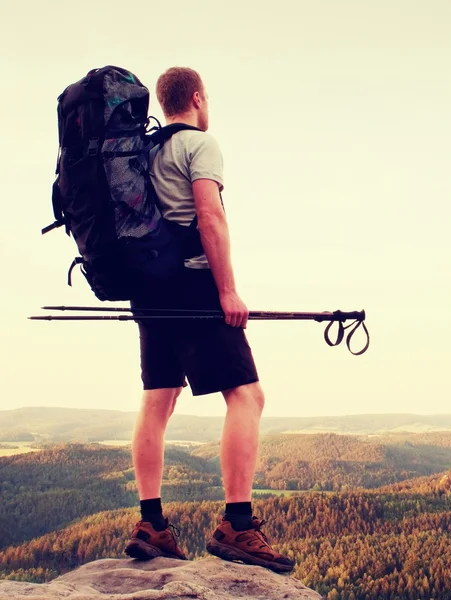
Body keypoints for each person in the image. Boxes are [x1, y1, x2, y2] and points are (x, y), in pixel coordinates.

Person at [123, 67, 294, 574]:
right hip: (194, 284)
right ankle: (237, 525)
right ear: (197, 97)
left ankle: (151, 524)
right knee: (247, 395)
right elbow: (210, 217)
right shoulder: (200, 144)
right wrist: (226, 290)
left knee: (159, 398)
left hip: (148, 288)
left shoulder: (144, 152)